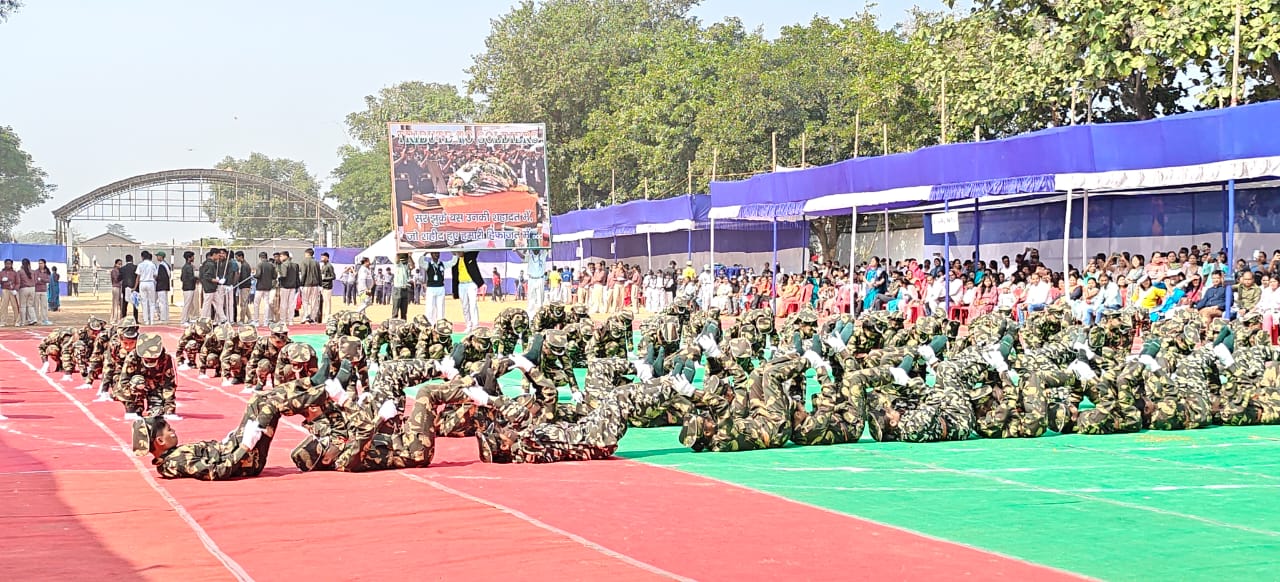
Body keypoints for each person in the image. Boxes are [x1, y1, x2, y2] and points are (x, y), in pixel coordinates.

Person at [449, 251, 484, 332]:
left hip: (471, 284)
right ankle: (468, 325)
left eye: (459, 251)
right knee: (465, 307)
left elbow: (476, 249)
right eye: (456, 252)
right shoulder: (455, 261)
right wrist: (454, 292)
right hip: (461, 285)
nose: (458, 252)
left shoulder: (470, 256)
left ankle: (475, 326)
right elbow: (454, 277)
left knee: (473, 305)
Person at [298, 248, 322, 323]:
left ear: (307, 253)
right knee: (314, 302)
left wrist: (301, 284)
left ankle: (306, 316)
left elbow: (303, 273)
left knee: (305, 301)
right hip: (315, 285)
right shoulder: (316, 262)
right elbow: (319, 274)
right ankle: (313, 318)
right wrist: (320, 284)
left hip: (306, 284)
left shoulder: (304, 261)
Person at [276, 251, 300, 325]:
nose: (280, 258)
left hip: (284, 286)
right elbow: (297, 277)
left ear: (286, 256)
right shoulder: (295, 265)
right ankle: (290, 320)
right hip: (293, 286)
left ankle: (283, 320)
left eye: (281, 256)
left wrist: (278, 278)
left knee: (283, 304)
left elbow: (283, 275)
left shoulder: (284, 264)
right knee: (291, 304)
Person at [423, 252, 446, 323]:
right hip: (431, 288)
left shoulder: (442, 264)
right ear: (431, 255)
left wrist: (453, 253)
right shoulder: (428, 264)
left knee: (441, 307)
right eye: (434, 253)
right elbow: (421, 262)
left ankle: (440, 323)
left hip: (440, 287)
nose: (437, 255)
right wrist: (424, 254)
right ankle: (430, 324)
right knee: (430, 307)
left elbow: (452, 262)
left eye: (438, 253)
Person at [136, 251, 158, 324]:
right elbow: (155, 275)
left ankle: (146, 320)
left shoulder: (140, 265)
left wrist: (135, 286)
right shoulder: (152, 264)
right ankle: (152, 320)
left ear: (142, 257)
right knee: (152, 302)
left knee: (144, 302)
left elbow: (138, 276)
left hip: (142, 283)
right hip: (150, 282)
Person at [392, 252, 414, 320]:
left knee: (404, 311)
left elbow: (413, 266)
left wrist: (410, 256)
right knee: (396, 310)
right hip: (397, 289)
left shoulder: (407, 265)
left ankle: (404, 324)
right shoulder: (398, 264)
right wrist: (398, 252)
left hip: (405, 289)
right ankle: (394, 323)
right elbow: (397, 260)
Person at [179, 252, 198, 325]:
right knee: (187, 304)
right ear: (189, 258)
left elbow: (182, 278)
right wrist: (197, 278)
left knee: (189, 304)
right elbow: (191, 278)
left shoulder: (186, 266)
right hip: (189, 287)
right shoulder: (188, 267)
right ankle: (183, 320)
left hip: (187, 287)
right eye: (192, 257)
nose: (194, 258)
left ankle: (187, 319)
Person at [17, 258, 37, 326]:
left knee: (23, 306)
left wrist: (16, 289)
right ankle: (33, 319)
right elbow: (35, 281)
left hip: (24, 288)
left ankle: (22, 322)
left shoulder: (20, 272)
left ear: (22, 264)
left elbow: (18, 281)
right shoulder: (33, 271)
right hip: (32, 288)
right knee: (30, 305)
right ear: (29, 264)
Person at [118, 254, 138, 321]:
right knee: (135, 304)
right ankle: (135, 319)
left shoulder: (122, 268)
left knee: (125, 304)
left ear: (126, 260)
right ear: (132, 260)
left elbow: (119, 278)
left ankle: (124, 318)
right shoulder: (136, 267)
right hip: (134, 287)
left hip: (125, 287)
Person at [154, 252, 171, 324]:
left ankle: (163, 318)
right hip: (165, 286)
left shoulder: (161, 266)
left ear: (161, 257)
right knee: (165, 302)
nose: (157, 257)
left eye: (158, 256)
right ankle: (166, 317)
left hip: (161, 286)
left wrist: (156, 278)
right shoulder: (166, 265)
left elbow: (160, 276)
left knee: (162, 303)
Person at [319, 252, 336, 322]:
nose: (322, 258)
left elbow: (333, 276)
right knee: (324, 302)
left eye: (323, 257)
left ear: (327, 258)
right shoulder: (323, 266)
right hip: (323, 286)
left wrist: (324, 278)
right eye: (321, 257)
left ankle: (327, 317)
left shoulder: (329, 266)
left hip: (328, 287)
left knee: (327, 302)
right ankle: (324, 317)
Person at [35, 259, 52, 324]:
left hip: (44, 290)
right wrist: (43, 281)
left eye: (41, 263)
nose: (40, 264)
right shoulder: (36, 272)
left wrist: (41, 279)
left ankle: (44, 319)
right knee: (36, 306)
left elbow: (48, 280)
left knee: (44, 306)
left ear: (44, 264)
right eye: (39, 263)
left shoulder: (47, 272)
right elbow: (36, 281)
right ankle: (36, 319)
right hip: (36, 291)